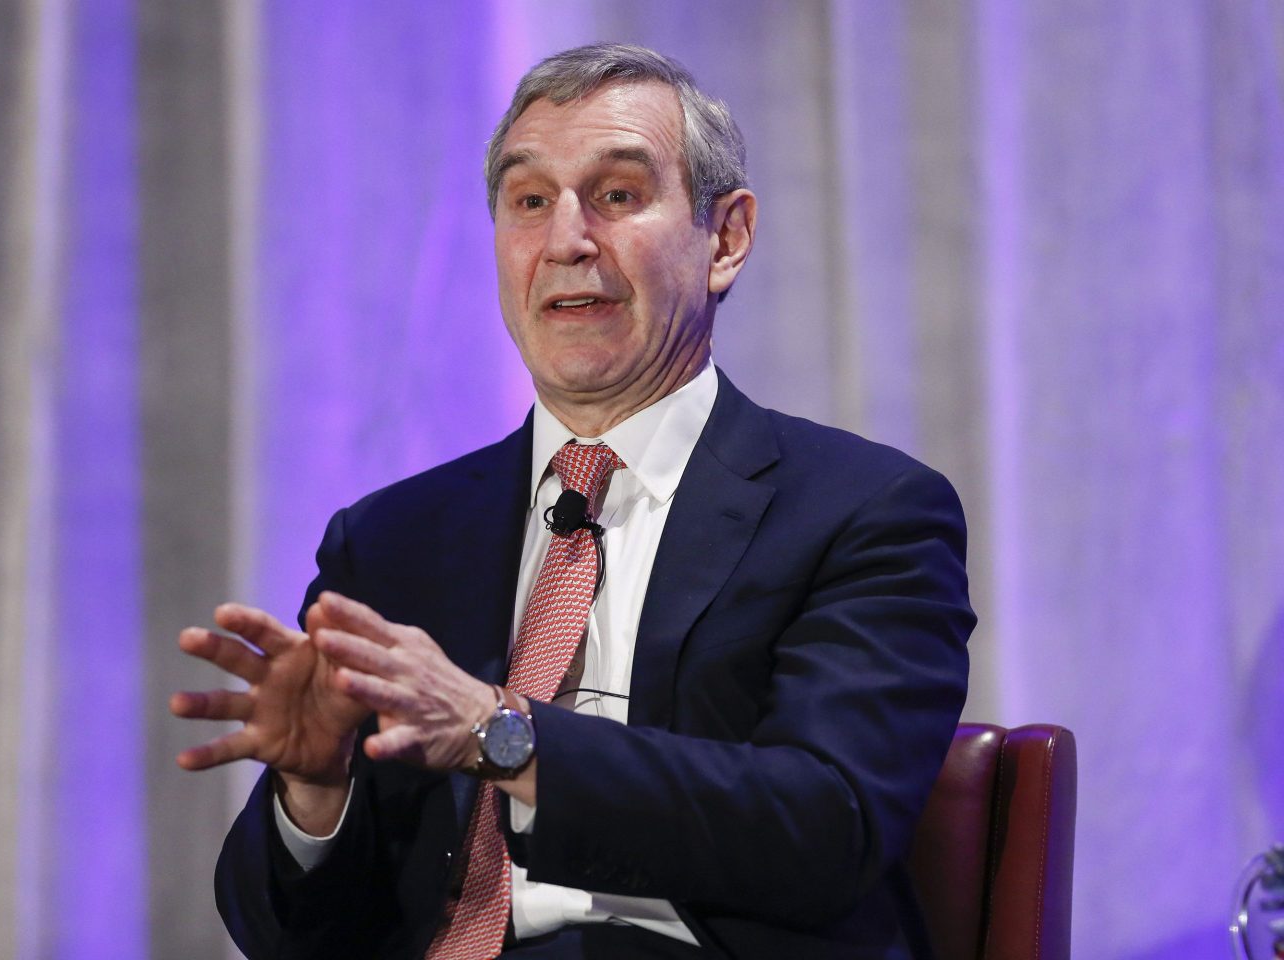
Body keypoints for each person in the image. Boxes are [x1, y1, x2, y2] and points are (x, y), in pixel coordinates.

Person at [172, 43, 973, 960]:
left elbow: (827, 828)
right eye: (529, 202)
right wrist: (316, 789)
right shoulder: (393, 541)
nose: (566, 241)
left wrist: (498, 735)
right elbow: (294, 940)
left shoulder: (862, 513)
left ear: (726, 239)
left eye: (617, 195)